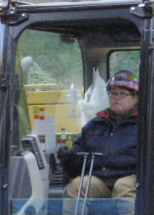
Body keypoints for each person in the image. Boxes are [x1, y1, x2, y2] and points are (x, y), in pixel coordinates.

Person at [58, 69, 139, 203]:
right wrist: (69, 156)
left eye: (122, 94)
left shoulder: (145, 125)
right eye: (113, 93)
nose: (116, 97)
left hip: (131, 179)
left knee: (123, 187)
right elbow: (78, 154)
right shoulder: (95, 124)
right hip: (99, 179)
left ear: (136, 98)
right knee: (79, 185)